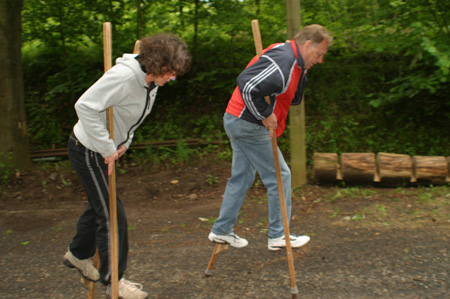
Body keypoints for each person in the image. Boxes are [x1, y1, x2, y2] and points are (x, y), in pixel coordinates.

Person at [63, 33, 190, 299]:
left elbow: (132, 118)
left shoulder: (151, 83)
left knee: (98, 206)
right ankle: (114, 282)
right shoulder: (123, 77)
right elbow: (84, 106)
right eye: (171, 72)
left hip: (106, 149)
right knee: (111, 213)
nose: (172, 79)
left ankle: (77, 255)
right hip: (87, 148)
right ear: (157, 65)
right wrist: (107, 147)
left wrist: (124, 143)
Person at [208, 24, 332, 251]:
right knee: (280, 177)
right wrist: (265, 114)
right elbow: (247, 84)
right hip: (248, 124)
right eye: (319, 54)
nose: (320, 60)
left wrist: (303, 70)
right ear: (307, 45)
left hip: (237, 120)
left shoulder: (292, 60)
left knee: (242, 178)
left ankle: (221, 230)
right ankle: (278, 234)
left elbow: (289, 95)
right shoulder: (283, 61)